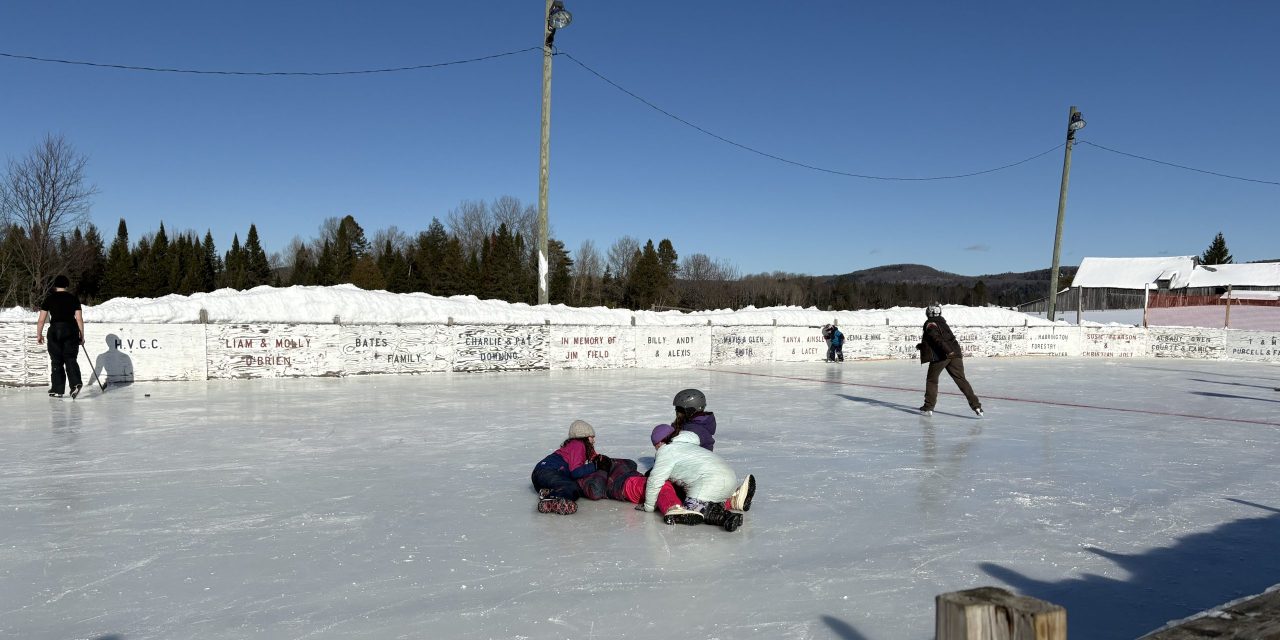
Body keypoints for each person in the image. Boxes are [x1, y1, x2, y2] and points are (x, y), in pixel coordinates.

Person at [640, 423, 756, 532]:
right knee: (712, 497)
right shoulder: (690, 444)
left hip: (709, 482)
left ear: (659, 443)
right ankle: (735, 499)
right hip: (730, 477)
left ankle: (724, 517)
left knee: (693, 509)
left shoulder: (666, 451)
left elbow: (655, 481)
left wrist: (649, 507)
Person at [915, 303, 983, 417]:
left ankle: (928, 407)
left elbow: (936, 338)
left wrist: (947, 351)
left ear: (928, 313)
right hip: (955, 355)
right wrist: (922, 346)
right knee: (961, 380)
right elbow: (940, 339)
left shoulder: (930, 324)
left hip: (942, 356)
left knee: (932, 380)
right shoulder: (943, 323)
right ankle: (977, 406)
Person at [531, 419, 610, 515]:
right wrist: (596, 466)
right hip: (548, 471)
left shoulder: (574, 445)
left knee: (568, 484)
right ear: (584, 437)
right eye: (592, 437)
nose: (594, 440)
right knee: (572, 487)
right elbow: (576, 472)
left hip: (541, 474)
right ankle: (551, 500)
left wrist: (598, 460)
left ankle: (548, 492)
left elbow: (591, 457)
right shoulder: (579, 445)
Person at [35, 275, 85, 398]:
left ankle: (57, 389)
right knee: (70, 358)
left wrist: (39, 334)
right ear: (67, 285)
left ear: (55, 286)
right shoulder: (73, 299)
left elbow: (41, 320)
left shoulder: (49, 299)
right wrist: (81, 336)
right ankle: (76, 383)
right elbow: (79, 319)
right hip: (71, 330)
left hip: (55, 330)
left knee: (56, 361)